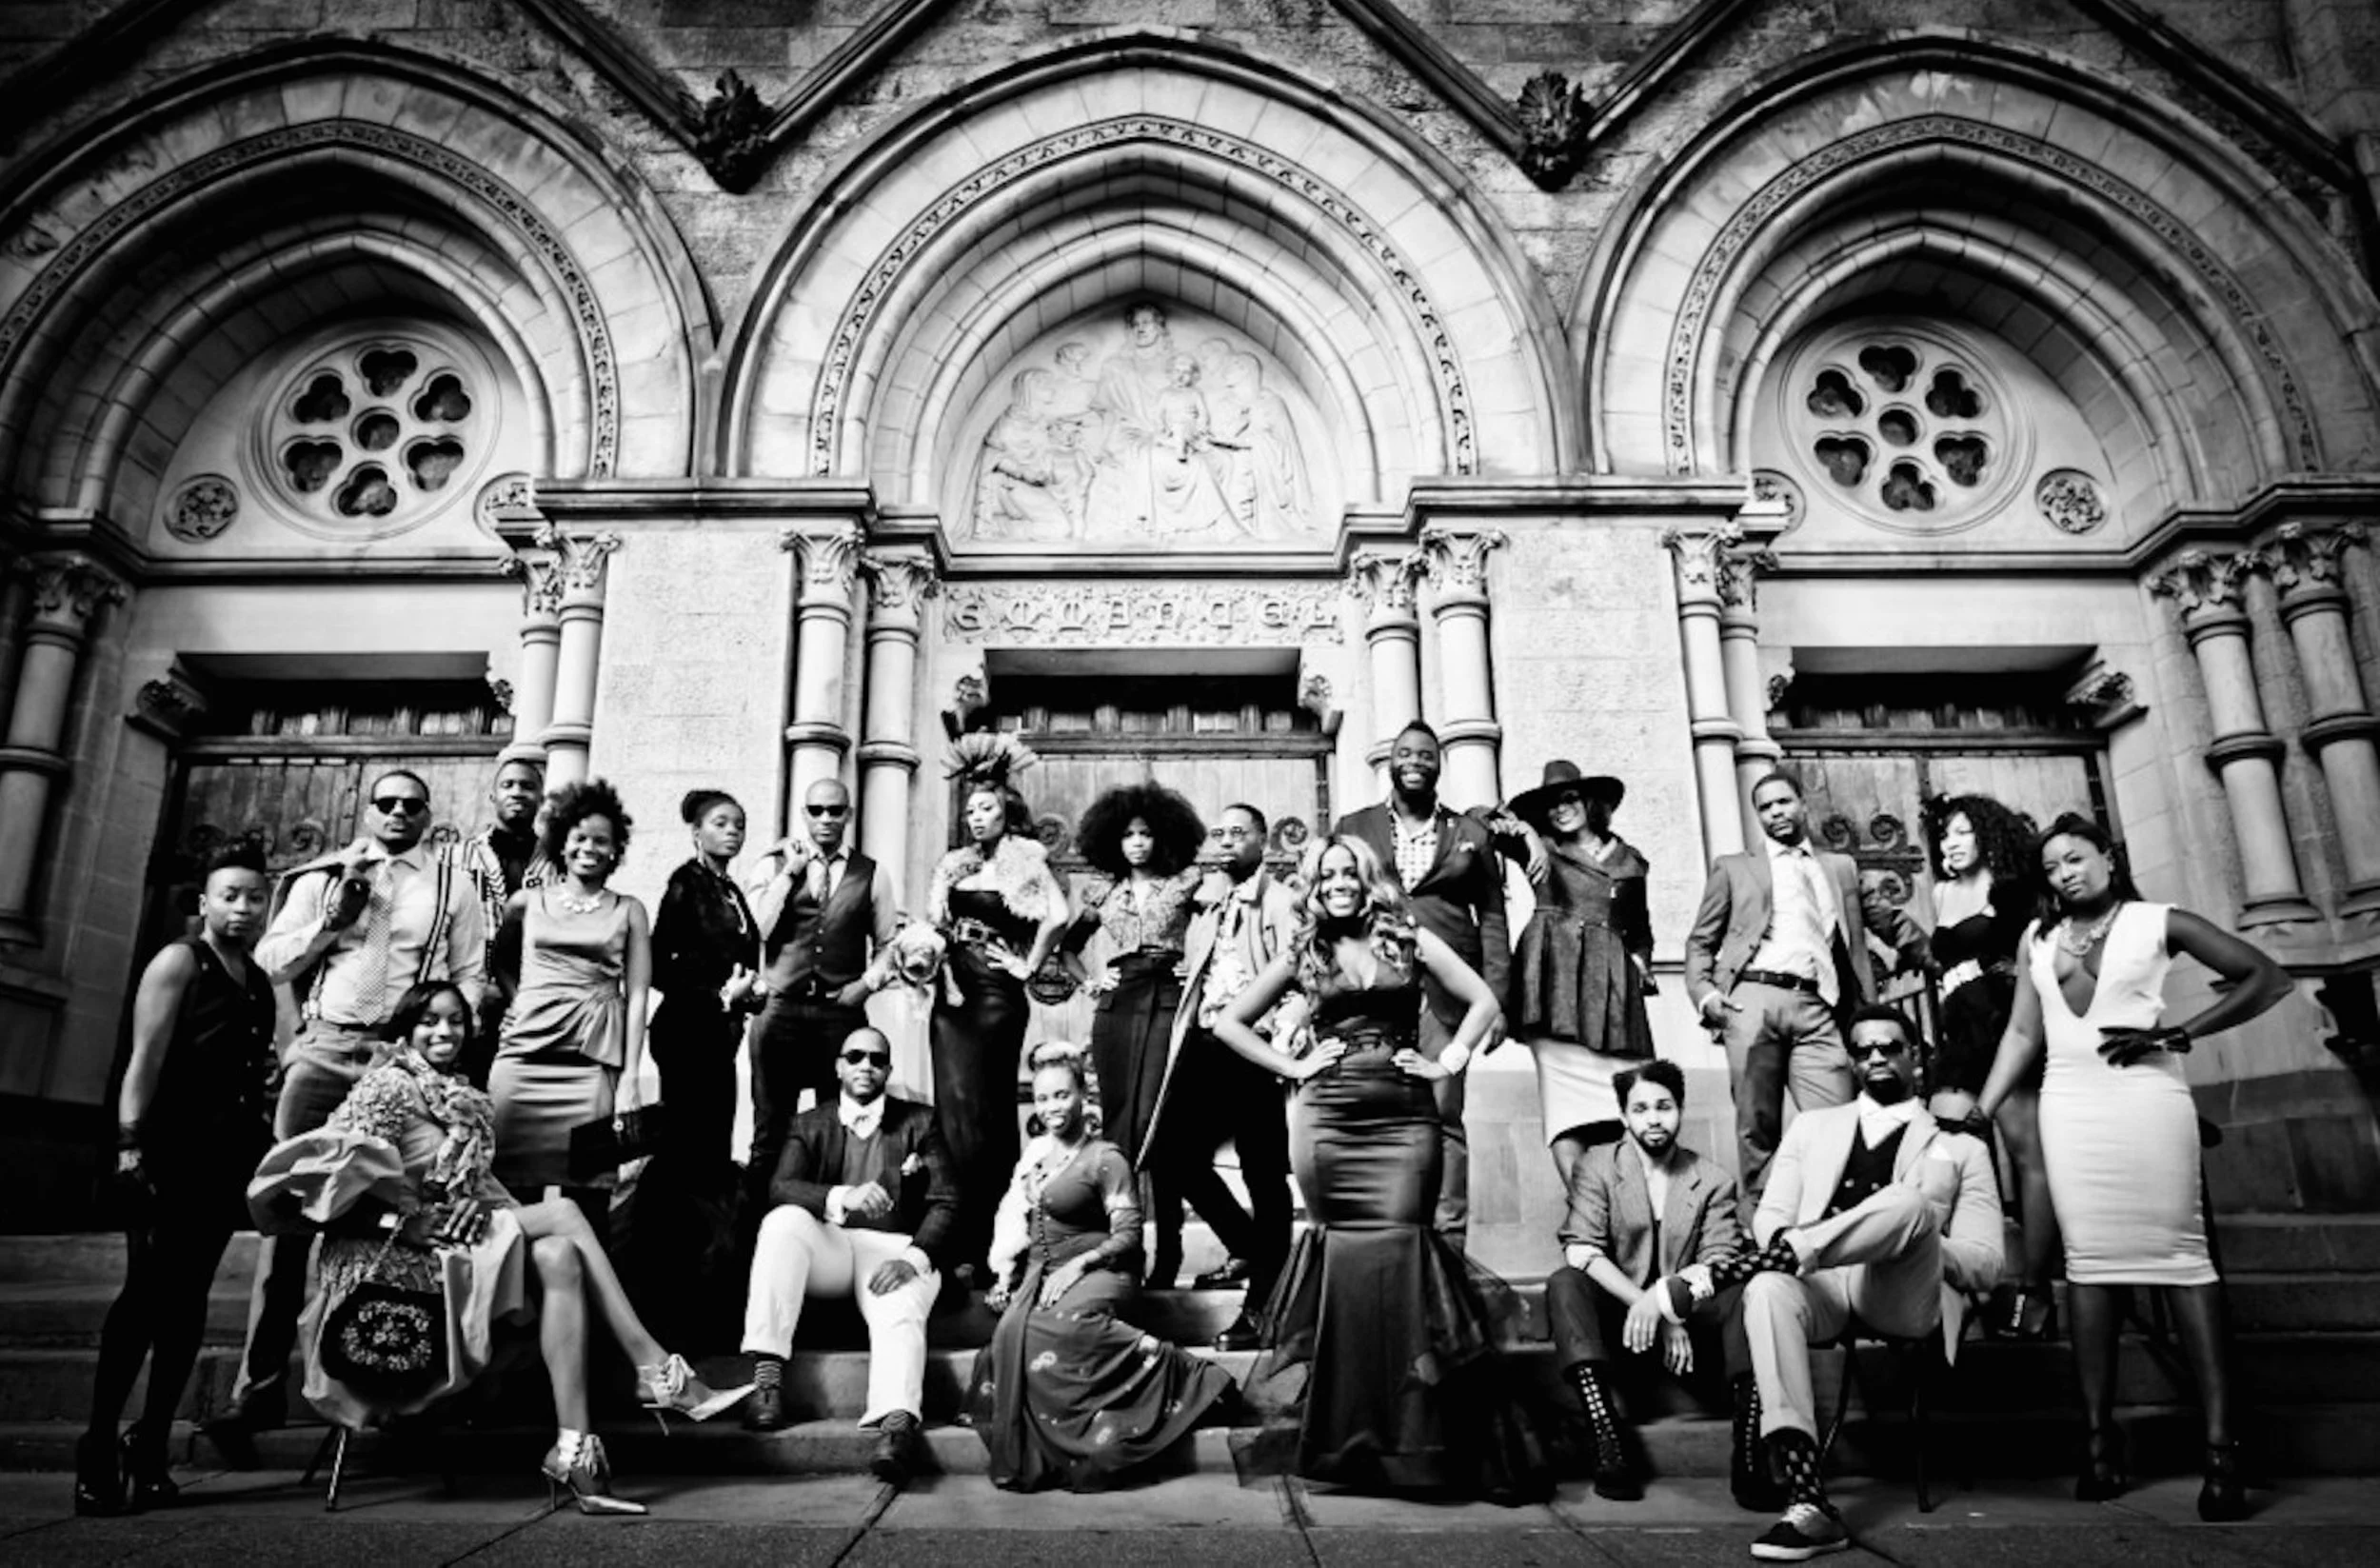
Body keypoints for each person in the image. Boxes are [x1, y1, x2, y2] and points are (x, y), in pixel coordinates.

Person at [247, 982, 744, 1517]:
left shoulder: (461, 1095)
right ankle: (658, 1370)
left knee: (559, 1255)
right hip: (393, 1265)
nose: (445, 1032)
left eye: (456, 1021)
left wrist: (485, 1216)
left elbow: (484, 1196)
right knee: (565, 1214)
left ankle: (574, 1449)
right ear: (407, 1028)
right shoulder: (386, 1088)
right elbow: (309, 1191)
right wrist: (401, 1219)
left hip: (453, 1247)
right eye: (430, 1021)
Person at [1974, 813, 2291, 1520]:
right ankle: (2098, 1442)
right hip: (2070, 1107)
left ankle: (2220, 1450)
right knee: (2088, 1264)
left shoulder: (2160, 921)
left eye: (2077, 858)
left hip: (2149, 1100)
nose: (2065, 873)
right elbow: (2024, 1031)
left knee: (2183, 1260)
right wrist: (1982, 1109)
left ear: (2108, 859)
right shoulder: (2038, 938)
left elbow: (2265, 977)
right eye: (2052, 865)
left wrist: (2179, 1032)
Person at [1214, 836, 1545, 1500]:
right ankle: (1351, 1441)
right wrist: (1295, 1067)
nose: (1338, 882)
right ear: (1314, 886)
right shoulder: (1304, 950)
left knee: (1405, 1255)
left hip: (1403, 1114)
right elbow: (1229, 1021)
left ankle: (1420, 1439)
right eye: (1326, 874)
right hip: (1329, 1123)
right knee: (1350, 1267)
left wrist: (1447, 1061)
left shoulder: (1407, 937)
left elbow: (1483, 1001)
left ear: (1368, 881)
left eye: (1349, 872)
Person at [209, 768, 486, 1462]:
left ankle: (388, 1381)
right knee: (290, 1221)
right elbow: (269, 960)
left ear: (429, 815)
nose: (397, 812)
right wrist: (331, 920)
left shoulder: (450, 884)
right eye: (386, 802)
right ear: (367, 810)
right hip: (327, 1048)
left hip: (402, 1060)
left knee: (401, 1220)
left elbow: (472, 970)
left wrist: (447, 1037)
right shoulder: (322, 876)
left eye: (411, 805)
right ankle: (259, 1388)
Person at [1711, 1003, 2001, 1560]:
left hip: (1901, 1292)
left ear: (1916, 1056)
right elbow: (1771, 1217)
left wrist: (1907, 1237)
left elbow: (1988, 1262)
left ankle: (1726, 1273)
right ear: (1850, 1060)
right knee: (1766, 1289)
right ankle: (1809, 1499)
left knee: (1911, 1204)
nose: (1876, 1058)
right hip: (1822, 1283)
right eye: (1863, 1050)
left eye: (1890, 1047)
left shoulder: (1961, 1146)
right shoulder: (1813, 1127)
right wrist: (1807, 1248)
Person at [79, 843, 277, 1515]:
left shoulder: (256, 979)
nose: (243, 907)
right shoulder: (178, 961)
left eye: (254, 896)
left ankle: (153, 1442)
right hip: (168, 1151)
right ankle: (99, 1444)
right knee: (144, 1298)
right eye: (230, 895)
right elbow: (145, 1058)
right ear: (205, 901)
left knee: (188, 1303)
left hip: (225, 1161)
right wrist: (130, 1149)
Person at [965, 1046, 1233, 1491]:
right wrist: (1006, 1277)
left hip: (1106, 1268)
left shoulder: (1106, 1158)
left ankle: (1181, 1373)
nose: (1052, 1107)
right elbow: (1018, 1222)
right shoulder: (1035, 1157)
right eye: (1043, 1097)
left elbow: (1129, 1236)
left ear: (1082, 1095)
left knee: (1067, 1326)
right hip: (1043, 1270)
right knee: (1009, 1337)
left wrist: (1078, 1266)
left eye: (1061, 1096)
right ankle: (1053, 1437)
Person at [1683, 771, 1927, 1207]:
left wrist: (1939, 953)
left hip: (1820, 1006)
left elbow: (1887, 919)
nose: (1776, 812)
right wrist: (1704, 993)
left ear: (1802, 804)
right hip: (1752, 999)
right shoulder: (1735, 868)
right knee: (1756, 1124)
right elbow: (1701, 941)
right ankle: (1765, 1226)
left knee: (1837, 1118)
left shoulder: (1839, 868)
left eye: (1783, 802)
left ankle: (1837, 1217)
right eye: (1765, 807)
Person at [741, 1025, 957, 1483]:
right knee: (782, 1223)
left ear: (888, 1070)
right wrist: (843, 1196)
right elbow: (781, 1187)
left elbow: (946, 1201)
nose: (866, 1066)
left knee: (900, 1302)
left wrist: (914, 1258)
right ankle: (766, 1380)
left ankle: (896, 1427)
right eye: (855, 1056)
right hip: (834, 1248)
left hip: (896, 1249)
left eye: (876, 1059)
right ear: (838, 1066)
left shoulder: (921, 1121)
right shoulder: (810, 1122)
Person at [1334, 720, 1512, 1248]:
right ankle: (1390, 1240)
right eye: (1406, 752)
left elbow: (1495, 918)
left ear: (1440, 764)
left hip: (1446, 996)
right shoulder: (1354, 824)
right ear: (1391, 762)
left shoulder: (1470, 835)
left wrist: (1496, 999)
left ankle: (1448, 1244)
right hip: (1371, 990)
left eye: (1426, 755)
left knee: (1442, 1114)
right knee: (1374, 1112)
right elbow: (1332, 897)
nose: (1415, 761)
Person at [1544, 1059, 1747, 1502]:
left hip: (1691, 1320)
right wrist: (1647, 1303)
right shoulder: (1597, 1165)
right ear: (1623, 1116)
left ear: (1680, 1110)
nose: (1654, 1119)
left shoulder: (1712, 1180)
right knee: (1564, 1283)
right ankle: (1607, 1437)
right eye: (1640, 1109)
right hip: (1621, 1317)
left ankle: (1750, 1448)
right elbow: (1582, 1250)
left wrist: (1669, 1307)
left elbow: (1719, 1261)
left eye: (1664, 1106)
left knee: (1746, 1292)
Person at [1144, 802, 1301, 1349]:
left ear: (1263, 840)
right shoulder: (1208, 905)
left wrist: (1282, 1041)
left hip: (1254, 1047)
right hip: (1206, 1046)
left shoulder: (1283, 901)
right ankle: (1253, 1249)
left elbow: (1301, 976)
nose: (1228, 841)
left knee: (1263, 1175)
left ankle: (1264, 1309)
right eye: (1221, 833)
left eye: (1240, 833)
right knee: (1170, 1158)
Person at [927, 734, 1069, 1278]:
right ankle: (957, 1234)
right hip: (952, 994)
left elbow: (1055, 914)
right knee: (954, 1109)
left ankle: (1000, 1237)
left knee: (986, 1113)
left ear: (1007, 811)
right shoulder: (957, 866)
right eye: (969, 810)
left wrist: (1028, 966)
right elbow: (937, 925)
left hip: (994, 995)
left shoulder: (1024, 859)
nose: (975, 818)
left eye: (986, 808)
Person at [1918, 793, 2055, 1339]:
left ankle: (2037, 1291)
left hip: (2002, 1028)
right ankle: (1965, 1283)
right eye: (1943, 836)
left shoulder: (2011, 888)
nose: (1949, 844)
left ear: (1987, 836)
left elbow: (2030, 961)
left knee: (2029, 1160)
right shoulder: (1942, 891)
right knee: (1944, 1158)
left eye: (1960, 832)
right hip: (1958, 1036)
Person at [632, 788, 764, 1348]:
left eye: (737, 823)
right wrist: (719, 995)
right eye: (719, 823)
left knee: (707, 1155)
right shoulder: (686, 883)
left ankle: (701, 1295)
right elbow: (661, 965)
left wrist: (749, 995)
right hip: (687, 1033)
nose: (731, 831)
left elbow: (741, 960)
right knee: (685, 1157)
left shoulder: (729, 887)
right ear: (697, 832)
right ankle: (658, 1295)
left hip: (719, 1036)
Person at [1061, 782, 1205, 1285]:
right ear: (1115, 841)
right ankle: (1124, 1251)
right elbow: (1067, 949)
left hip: (1167, 997)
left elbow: (1223, 929)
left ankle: (1170, 1250)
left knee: (1159, 1127)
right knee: (1121, 1131)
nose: (1138, 842)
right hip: (1118, 1007)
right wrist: (1092, 983)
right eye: (1128, 835)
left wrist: (1202, 971)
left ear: (1162, 837)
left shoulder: (1187, 884)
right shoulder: (1104, 893)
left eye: (1146, 834)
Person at [488, 778, 652, 1207]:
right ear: (562, 843)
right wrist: (516, 1000)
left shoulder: (629, 909)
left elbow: (637, 995)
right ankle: (515, 1278)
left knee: (591, 1200)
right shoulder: (526, 902)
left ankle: (578, 1276)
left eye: (602, 841)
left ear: (616, 850)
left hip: (591, 1067)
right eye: (580, 838)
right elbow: (500, 960)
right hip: (522, 1061)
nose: (590, 848)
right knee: (508, 1198)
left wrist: (631, 1076)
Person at [746, 777, 902, 1203]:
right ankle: (756, 1237)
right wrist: (791, 871)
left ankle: (826, 1230)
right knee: (769, 1133)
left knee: (837, 1129)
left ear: (849, 814)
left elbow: (890, 943)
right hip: (779, 1014)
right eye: (816, 810)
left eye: (836, 810)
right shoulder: (774, 864)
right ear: (804, 815)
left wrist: (866, 986)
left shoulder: (872, 872)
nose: (826, 819)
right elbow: (756, 929)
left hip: (841, 1018)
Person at [1501, 760, 1656, 1185]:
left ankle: (1630, 1217)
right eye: (1550, 805)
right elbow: (1483, 818)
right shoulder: (1541, 847)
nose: (1559, 810)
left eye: (1569, 799)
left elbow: (1640, 931)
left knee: (1629, 1107)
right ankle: (1586, 1222)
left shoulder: (1631, 861)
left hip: (1615, 996)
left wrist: (1638, 962)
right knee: (1568, 1115)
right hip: (1555, 987)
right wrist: (1526, 833)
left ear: (1591, 803)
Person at [456, 756, 556, 1039]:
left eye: (527, 786)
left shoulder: (559, 861)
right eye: (507, 785)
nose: (516, 792)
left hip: (534, 999)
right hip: (469, 996)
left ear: (541, 796)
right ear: (493, 794)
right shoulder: (456, 857)